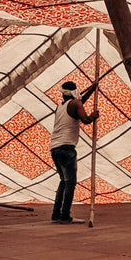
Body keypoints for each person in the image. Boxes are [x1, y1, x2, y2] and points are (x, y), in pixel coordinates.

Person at [50, 80, 99, 224]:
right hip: (66, 148)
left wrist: (92, 89)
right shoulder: (76, 104)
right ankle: (65, 215)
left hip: (55, 148)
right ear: (74, 92)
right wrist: (93, 116)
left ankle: (56, 214)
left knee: (63, 181)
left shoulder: (59, 106)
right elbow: (85, 119)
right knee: (70, 182)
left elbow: (79, 102)